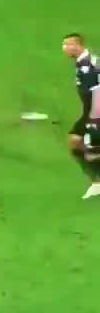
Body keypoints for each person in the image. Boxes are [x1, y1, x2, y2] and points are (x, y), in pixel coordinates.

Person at [61, 33, 100, 199]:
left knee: (91, 149)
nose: (65, 48)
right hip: (90, 111)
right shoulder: (83, 62)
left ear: (78, 45)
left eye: (68, 45)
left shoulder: (89, 65)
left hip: (95, 112)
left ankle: (97, 183)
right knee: (75, 142)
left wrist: (94, 119)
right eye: (64, 45)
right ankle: (97, 182)